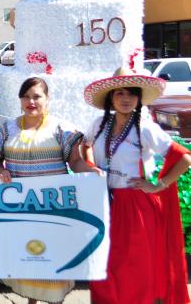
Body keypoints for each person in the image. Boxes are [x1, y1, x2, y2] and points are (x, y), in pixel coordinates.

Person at [83, 67, 191, 304]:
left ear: (138, 98)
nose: (125, 98)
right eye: (120, 93)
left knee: (136, 273)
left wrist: (158, 185)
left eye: (131, 93)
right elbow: (86, 145)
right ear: (111, 97)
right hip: (104, 205)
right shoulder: (99, 124)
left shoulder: (146, 128)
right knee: (103, 271)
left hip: (137, 208)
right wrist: (91, 166)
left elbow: (184, 158)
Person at [0, 77, 99, 304]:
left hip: (54, 210)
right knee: (28, 261)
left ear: (47, 99)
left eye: (37, 96)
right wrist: (1, 171)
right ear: (20, 100)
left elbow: (75, 162)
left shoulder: (62, 129)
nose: (31, 101)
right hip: (21, 208)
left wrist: (90, 173)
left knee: (53, 262)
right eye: (26, 96)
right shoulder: (7, 129)